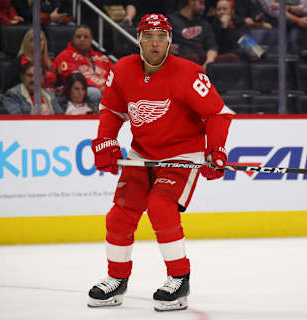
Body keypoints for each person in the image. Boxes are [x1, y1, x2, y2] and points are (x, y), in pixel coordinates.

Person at [87, 13, 233, 311]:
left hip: (182, 154)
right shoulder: (124, 69)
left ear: (170, 41)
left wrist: (215, 150)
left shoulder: (189, 73)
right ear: (138, 39)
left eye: (161, 37)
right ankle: (116, 279)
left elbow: (218, 113)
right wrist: (106, 141)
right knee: (120, 214)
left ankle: (179, 280)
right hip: (143, 154)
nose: (155, 43)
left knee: (161, 206)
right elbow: (112, 111)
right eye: (149, 37)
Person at [54, 25, 113, 109]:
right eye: (78, 36)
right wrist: (100, 87)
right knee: (94, 93)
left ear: (91, 39)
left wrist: (108, 88)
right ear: (73, 38)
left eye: (86, 37)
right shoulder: (64, 56)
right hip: (83, 91)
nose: (82, 39)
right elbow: (74, 81)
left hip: (105, 90)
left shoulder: (103, 58)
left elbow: (114, 77)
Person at [168, 0, 219, 69]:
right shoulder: (171, 20)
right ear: (191, 1)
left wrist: (208, 62)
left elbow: (212, 46)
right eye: (201, 3)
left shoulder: (204, 24)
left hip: (201, 61)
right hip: (181, 60)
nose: (203, 8)